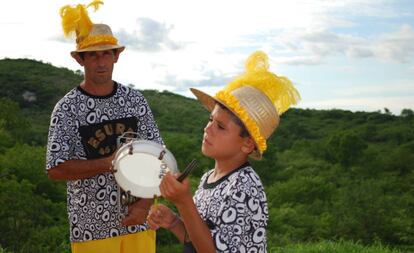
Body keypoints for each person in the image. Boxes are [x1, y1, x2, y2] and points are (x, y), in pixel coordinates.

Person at [147, 51, 301, 252]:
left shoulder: (244, 187)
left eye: (220, 126)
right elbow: (199, 239)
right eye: (210, 119)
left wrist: (184, 202)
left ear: (247, 144)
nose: (207, 128)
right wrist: (175, 223)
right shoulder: (207, 178)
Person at [46, 1, 160, 252]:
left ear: (116, 56)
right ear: (80, 60)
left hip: (139, 223)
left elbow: (157, 156)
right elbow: (55, 168)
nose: (101, 62)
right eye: (93, 55)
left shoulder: (135, 101)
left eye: (106, 53)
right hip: (91, 228)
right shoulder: (67, 108)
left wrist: (143, 205)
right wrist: (110, 162)